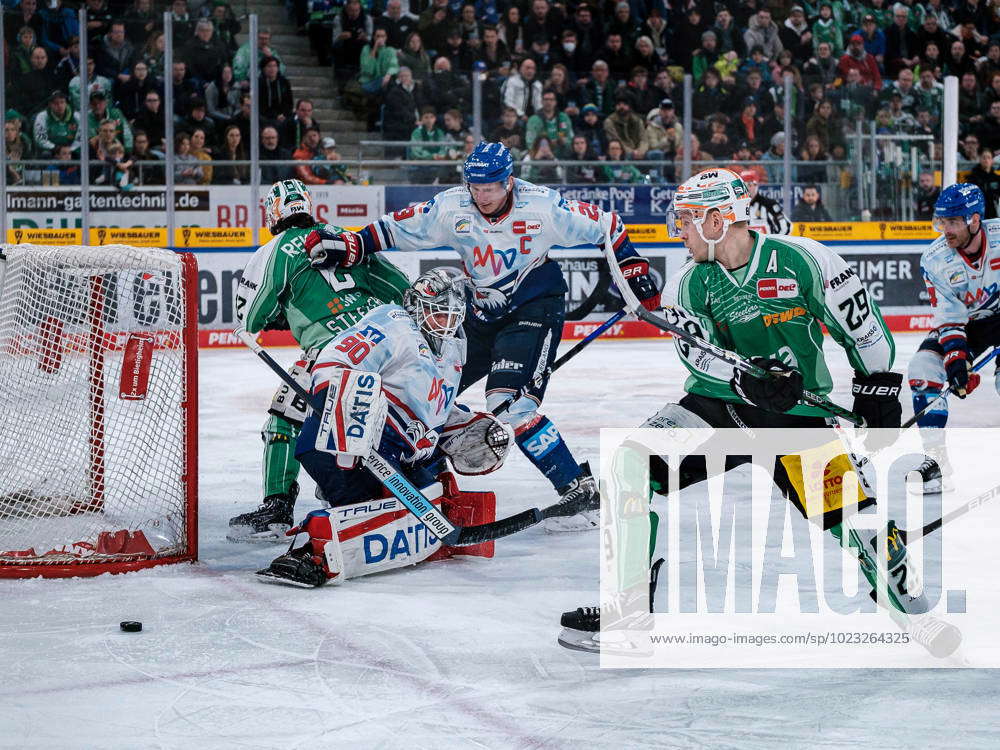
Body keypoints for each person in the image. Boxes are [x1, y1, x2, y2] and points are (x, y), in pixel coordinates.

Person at [559, 168, 919, 651]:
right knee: (630, 464)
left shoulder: (803, 258)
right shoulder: (688, 283)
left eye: (685, 220)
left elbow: (862, 325)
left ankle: (892, 570)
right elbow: (697, 354)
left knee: (851, 519)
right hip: (718, 408)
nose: (677, 231)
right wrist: (742, 378)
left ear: (718, 220)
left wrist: (877, 388)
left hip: (797, 417)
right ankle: (628, 610)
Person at [303, 141, 661, 531]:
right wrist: (354, 244)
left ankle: (577, 485)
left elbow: (607, 226)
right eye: (474, 187)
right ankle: (421, 482)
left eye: (489, 187)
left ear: (509, 181)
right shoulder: (453, 206)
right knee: (430, 393)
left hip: (534, 307)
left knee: (508, 404)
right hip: (480, 313)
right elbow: (397, 228)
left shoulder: (543, 207)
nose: (481, 196)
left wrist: (631, 263)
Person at [252, 267, 515, 586]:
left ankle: (363, 509)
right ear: (417, 307)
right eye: (439, 314)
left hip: (399, 456)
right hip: (341, 443)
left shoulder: (453, 347)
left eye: (452, 316)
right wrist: (351, 408)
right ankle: (311, 549)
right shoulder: (394, 324)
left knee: (422, 503)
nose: (447, 324)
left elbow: (435, 410)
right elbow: (332, 362)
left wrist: (463, 426)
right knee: (375, 516)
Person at [229, 179, 418, 543]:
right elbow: (399, 287)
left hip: (332, 351)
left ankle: (278, 506)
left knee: (283, 419)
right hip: (382, 339)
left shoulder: (275, 250)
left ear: (272, 213)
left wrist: (282, 314)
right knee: (395, 413)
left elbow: (249, 316)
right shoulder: (344, 237)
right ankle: (410, 479)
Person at [907, 184, 1000, 491]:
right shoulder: (935, 259)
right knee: (923, 368)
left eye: (953, 222)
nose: (945, 229)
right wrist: (957, 362)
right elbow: (949, 318)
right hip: (971, 326)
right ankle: (936, 463)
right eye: (942, 221)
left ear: (974, 220)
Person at [741, 169, 791, 234]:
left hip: (765, 244)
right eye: (743, 185)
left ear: (756, 185)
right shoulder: (735, 207)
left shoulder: (769, 204)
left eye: (750, 184)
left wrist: (773, 243)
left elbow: (786, 227)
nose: (747, 189)